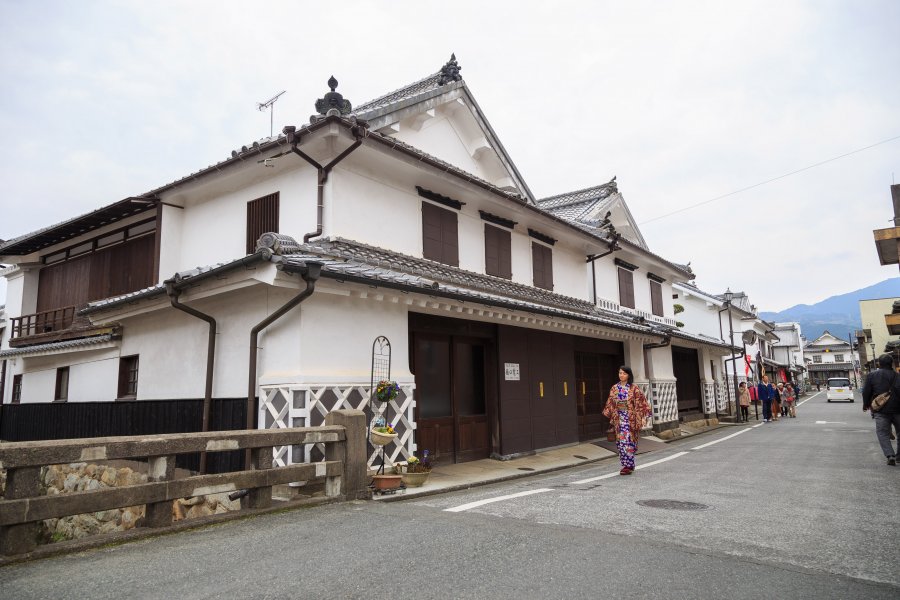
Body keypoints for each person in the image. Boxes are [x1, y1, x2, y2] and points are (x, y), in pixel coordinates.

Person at [603, 366, 652, 475]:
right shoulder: (614, 388)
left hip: (631, 420)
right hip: (619, 420)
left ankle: (629, 464)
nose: (621, 375)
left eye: (624, 373)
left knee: (630, 443)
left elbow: (641, 403)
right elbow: (610, 403)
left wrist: (643, 417)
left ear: (628, 375)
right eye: (620, 373)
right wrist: (611, 415)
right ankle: (627, 465)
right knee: (621, 443)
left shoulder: (634, 389)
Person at [862, 353, 900, 466]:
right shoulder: (898, 376)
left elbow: (866, 392)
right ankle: (899, 456)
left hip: (881, 410)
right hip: (898, 409)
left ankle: (890, 455)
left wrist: (866, 404)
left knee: (882, 433)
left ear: (879, 363)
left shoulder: (872, 375)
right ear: (892, 363)